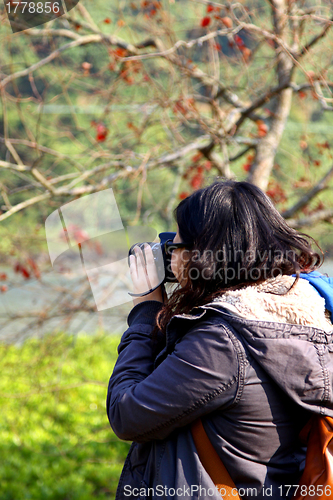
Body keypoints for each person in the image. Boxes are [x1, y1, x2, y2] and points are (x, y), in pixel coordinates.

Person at [106, 180, 333, 500]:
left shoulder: (221, 344)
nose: (171, 259)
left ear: (203, 257)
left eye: (177, 247)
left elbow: (126, 413)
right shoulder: (304, 320)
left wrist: (146, 311)